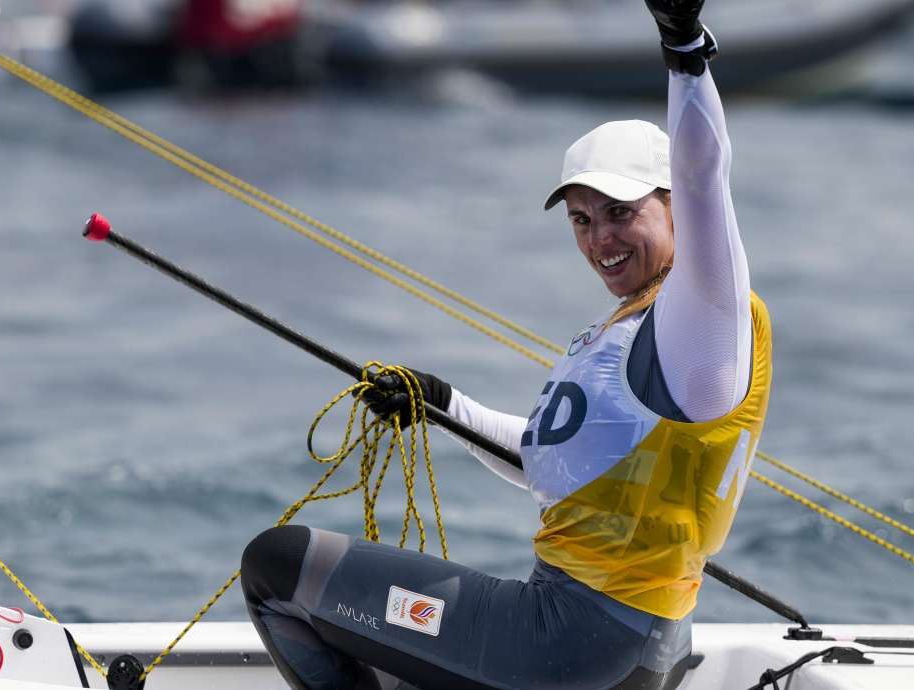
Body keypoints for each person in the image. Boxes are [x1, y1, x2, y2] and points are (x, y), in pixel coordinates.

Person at [240, 1, 772, 687]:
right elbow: (556, 463)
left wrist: (685, 50)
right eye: (582, 219)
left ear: (674, 208)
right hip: (632, 651)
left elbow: (706, 178)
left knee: (281, 569)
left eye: (621, 212)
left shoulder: (705, 324)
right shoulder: (630, 328)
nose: (599, 238)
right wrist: (441, 404)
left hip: (568, 645)